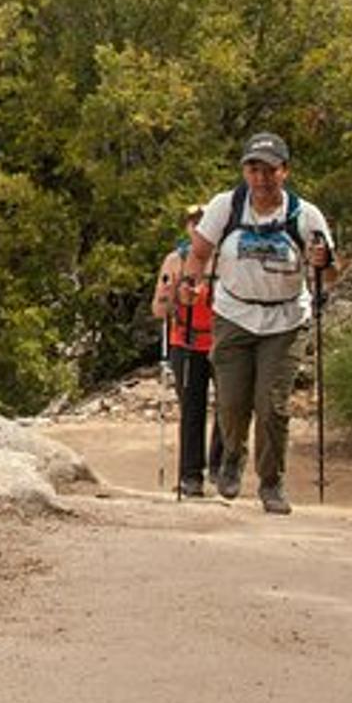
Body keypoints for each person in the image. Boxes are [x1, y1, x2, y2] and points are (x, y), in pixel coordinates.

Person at [180, 132, 336, 515]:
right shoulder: (226, 206)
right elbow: (199, 254)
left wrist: (324, 261)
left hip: (285, 319)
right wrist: (189, 282)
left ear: (285, 171)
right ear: (244, 171)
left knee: (272, 405)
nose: (261, 178)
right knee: (232, 402)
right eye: (253, 169)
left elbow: (329, 275)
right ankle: (232, 455)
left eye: (269, 169)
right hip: (233, 315)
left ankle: (271, 483)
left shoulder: (305, 215)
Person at [152, 203, 221, 497]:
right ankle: (191, 476)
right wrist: (173, 296)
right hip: (186, 342)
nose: (197, 227)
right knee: (192, 410)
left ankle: (221, 468)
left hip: (224, 342)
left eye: (203, 222)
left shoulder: (225, 259)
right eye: (192, 222)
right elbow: (159, 309)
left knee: (231, 407)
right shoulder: (174, 260)